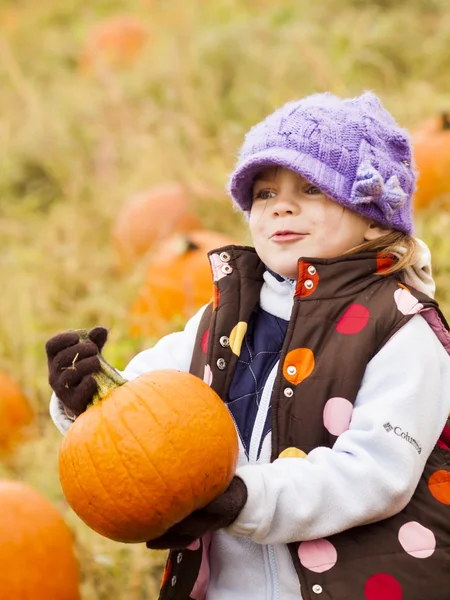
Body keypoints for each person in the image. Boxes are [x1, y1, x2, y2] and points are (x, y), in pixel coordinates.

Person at [46, 91, 450, 600]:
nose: (281, 204)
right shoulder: (223, 318)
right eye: (263, 193)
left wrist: (244, 499)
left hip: (357, 583)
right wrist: (84, 394)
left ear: (373, 217)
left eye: (310, 187)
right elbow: (137, 409)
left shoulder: (401, 327)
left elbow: (376, 473)